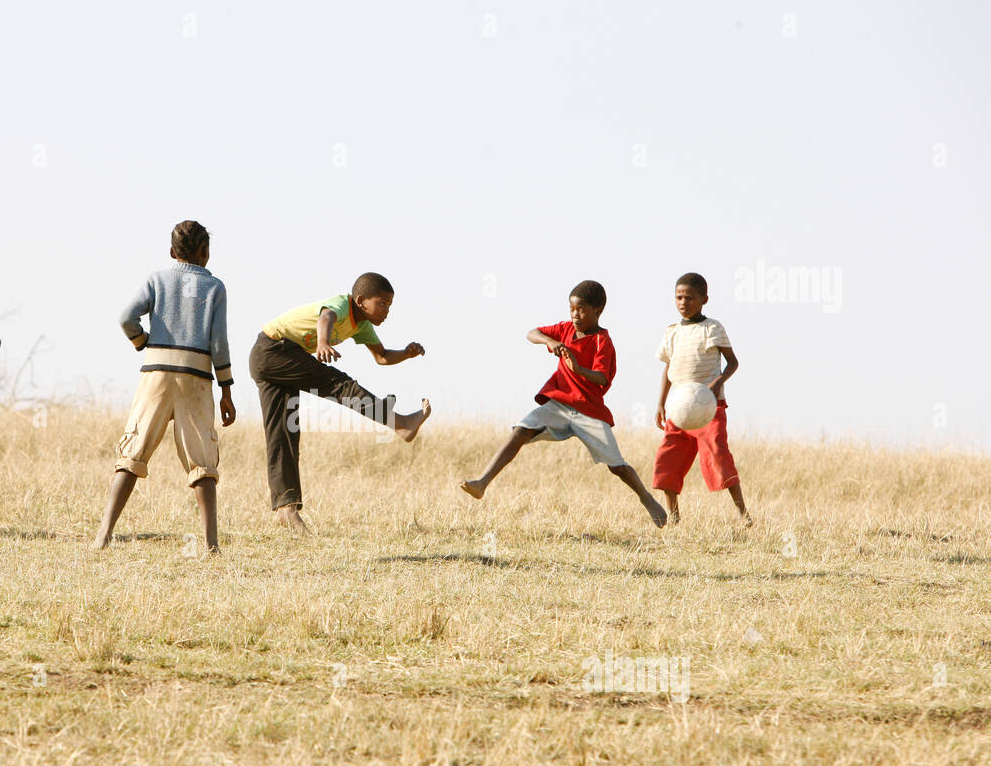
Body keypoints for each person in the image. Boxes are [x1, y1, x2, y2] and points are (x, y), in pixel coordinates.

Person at [458, 279, 667, 527]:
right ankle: (482, 482)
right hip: (559, 405)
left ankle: (645, 498)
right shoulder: (565, 329)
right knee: (521, 430)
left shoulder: (602, 341)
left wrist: (578, 369)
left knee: (617, 466)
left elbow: (601, 377)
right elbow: (531, 333)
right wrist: (549, 341)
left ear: (598, 311)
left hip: (589, 411)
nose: (575, 315)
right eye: (572, 309)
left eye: (581, 310)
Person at [92, 221, 235, 553]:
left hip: (155, 375)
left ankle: (104, 535)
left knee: (133, 453)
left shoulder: (157, 280)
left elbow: (126, 317)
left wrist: (142, 341)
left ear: (172, 252)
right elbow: (219, 342)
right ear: (206, 252)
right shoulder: (215, 288)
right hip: (195, 378)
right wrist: (226, 389)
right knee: (202, 462)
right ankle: (211, 545)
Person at [248, 272, 430, 531]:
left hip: (272, 359)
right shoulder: (342, 305)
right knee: (340, 385)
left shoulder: (362, 326)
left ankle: (285, 510)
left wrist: (406, 354)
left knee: (284, 432)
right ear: (361, 300)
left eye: (389, 305)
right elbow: (326, 317)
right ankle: (400, 423)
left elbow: (382, 356)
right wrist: (323, 342)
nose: (386, 311)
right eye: (382, 303)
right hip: (273, 349)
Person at [652, 272, 750, 524]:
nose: (683, 302)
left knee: (718, 454)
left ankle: (742, 514)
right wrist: (661, 403)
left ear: (704, 299)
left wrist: (717, 383)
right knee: (669, 458)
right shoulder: (672, 332)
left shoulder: (712, 328)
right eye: (679, 297)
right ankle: (674, 517)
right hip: (679, 409)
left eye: (690, 298)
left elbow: (733, 362)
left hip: (709, 406)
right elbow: (668, 369)